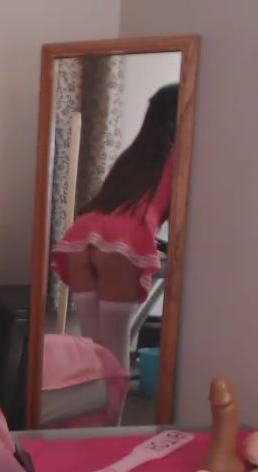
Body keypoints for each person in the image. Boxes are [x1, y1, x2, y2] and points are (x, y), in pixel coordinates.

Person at [51, 83, 179, 373]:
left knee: (93, 347)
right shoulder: (178, 159)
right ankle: (112, 406)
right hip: (122, 241)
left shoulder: (132, 156)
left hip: (82, 235)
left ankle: (92, 403)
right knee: (115, 348)